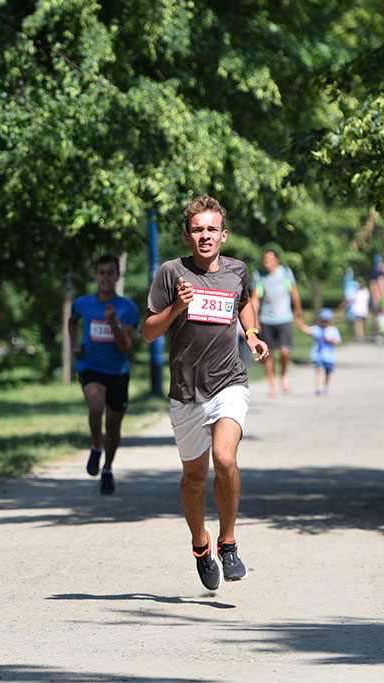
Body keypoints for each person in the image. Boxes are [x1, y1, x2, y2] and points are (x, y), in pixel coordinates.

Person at [143, 195, 269, 591]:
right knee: (194, 477)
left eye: (212, 229)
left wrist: (251, 334)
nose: (204, 236)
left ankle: (228, 542)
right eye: (197, 229)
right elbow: (148, 331)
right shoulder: (171, 273)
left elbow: (243, 303)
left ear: (223, 235)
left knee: (225, 457)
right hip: (185, 392)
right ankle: (201, 543)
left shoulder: (237, 271)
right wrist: (176, 308)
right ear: (187, 235)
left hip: (228, 382)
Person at [68, 253, 140, 495]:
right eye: (102, 273)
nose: (106, 277)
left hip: (117, 370)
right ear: (96, 276)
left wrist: (112, 323)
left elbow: (125, 346)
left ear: (117, 276)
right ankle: (95, 447)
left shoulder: (127, 308)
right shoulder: (83, 303)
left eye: (110, 272)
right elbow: (72, 321)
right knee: (96, 405)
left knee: (114, 425)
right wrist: (74, 345)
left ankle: (107, 468)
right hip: (90, 366)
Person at [250, 248, 302, 396]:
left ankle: (283, 375)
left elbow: (294, 292)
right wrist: (253, 320)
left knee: (285, 351)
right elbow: (255, 298)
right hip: (266, 319)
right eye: (264, 260)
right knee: (268, 354)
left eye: (270, 260)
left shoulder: (285, 273)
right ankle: (272, 384)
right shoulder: (259, 276)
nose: (267, 263)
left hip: (284, 318)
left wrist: (299, 313)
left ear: (277, 260)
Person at [296, 308, 341, 396]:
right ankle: (318, 388)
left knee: (328, 373)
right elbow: (308, 330)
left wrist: (330, 339)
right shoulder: (317, 329)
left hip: (329, 357)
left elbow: (338, 341)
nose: (324, 322)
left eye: (326, 320)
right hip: (318, 355)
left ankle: (326, 388)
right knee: (319, 370)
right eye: (323, 320)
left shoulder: (333, 330)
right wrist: (301, 325)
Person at [344, 277, 371, 342]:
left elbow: (368, 301)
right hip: (357, 310)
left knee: (362, 323)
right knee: (359, 322)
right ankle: (359, 335)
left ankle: (360, 334)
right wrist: (344, 305)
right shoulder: (355, 292)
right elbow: (349, 299)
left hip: (364, 310)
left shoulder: (366, 291)